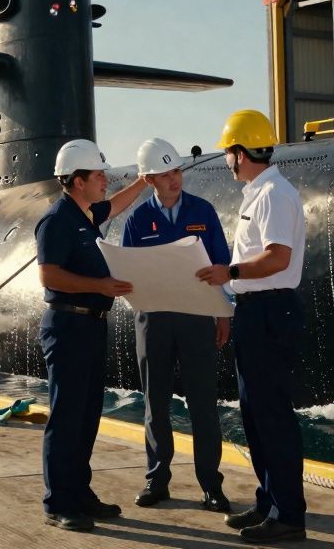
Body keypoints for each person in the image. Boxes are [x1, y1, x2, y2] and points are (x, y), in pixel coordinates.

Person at [196, 109, 308, 543]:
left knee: (273, 416)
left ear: (240, 153)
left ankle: (288, 515)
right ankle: (269, 501)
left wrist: (231, 272)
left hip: (269, 311)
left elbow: (278, 257)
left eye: (228, 152)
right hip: (255, 312)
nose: (227, 160)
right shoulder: (259, 193)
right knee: (256, 413)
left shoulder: (274, 195)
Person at [35, 138, 148, 532]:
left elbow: (116, 205)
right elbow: (48, 274)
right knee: (66, 417)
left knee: (86, 416)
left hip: (91, 327)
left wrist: (144, 180)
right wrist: (99, 286)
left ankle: (80, 493)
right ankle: (58, 502)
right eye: (98, 174)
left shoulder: (85, 215)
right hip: (67, 326)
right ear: (77, 180)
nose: (105, 179)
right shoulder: (56, 220)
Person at [121, 137, 232, 513]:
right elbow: (127, 269)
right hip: (153, 322)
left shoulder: (204, 211)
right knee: (155, 405)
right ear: (149, 180)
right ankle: (157, 480)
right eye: (165, 174)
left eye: (177, 171)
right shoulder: (137, 220)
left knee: (203, 405)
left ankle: (211, 485)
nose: (175, 179)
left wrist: (223, 315)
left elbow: (222, 267)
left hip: (197, 320)